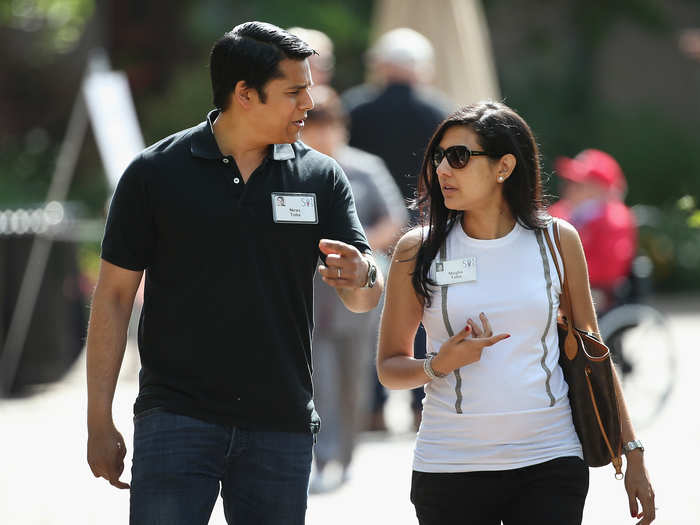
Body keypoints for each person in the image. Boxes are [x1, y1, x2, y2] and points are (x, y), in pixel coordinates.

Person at [85, 21, 383, 525]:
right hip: (175, 417)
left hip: (280, 424)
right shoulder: (155, 173)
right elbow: (112, 297)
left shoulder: (321, 175)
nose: (309, 103)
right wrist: (98, 420)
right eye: (294, 91)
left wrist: (363, 276)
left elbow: (364, 296)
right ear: (245, 94)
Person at [377, 101, 655, 524]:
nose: (442, 171)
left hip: (551, 459)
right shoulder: (416, 249)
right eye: (438, 158)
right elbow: (389, 367)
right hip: (450, 466)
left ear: (504, 166)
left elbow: (594, 353)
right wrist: (438, 364)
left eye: (458, 157)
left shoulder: (558, 240)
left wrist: (632, 452)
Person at [344, 27, 451, 431]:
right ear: (421, 69)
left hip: (366, 225)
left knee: (372, 312)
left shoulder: (356, 108)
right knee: (424, 311)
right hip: (425, 223)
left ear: (381, 65)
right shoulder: (438, 111)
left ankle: (371, 409)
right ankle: (421, 404)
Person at [301, 84, 406, 492]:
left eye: (328, 126)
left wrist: (356, 251)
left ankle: (346, 455)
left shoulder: (365, 167)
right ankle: (319, 455)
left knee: (353, 375)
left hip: (358, 287)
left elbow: (393, 219)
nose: (322, 135)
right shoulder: (293, 168)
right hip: (308, 289)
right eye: (314, 126)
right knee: (315, 375)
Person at [549, 149, 637, 312]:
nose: (569, 189)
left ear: (600, 189)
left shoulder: (615, 220)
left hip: (593, 292)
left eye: (578, 184)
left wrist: (560, 272)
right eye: (569, 183)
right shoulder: (564, 212)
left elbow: (607, 272)